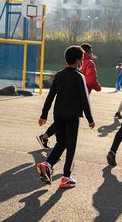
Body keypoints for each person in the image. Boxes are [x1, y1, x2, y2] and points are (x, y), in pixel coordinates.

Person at [36, 46, 95, 188]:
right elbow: (84, 99)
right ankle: (66, 177)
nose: (82, 62)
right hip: (72, 115)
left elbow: (50, 96)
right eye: (81, 60)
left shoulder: (59, 75)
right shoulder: (79, 76)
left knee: (61, 142)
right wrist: (90, 118)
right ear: (77, 61)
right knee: (71, 145)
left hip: (59, 114)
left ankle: (47, 164)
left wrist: (44, 115)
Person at [36, 43, 101, 149]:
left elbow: (51, 95)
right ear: (87, 52)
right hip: (77, 98)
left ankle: (49, 139)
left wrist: (44, 114)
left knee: (62, 118)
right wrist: (98, 88)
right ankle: (49, 141)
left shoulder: (72, 61)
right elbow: (91, 80)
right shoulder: (89, 63)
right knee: (67, 126)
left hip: (66, 96)